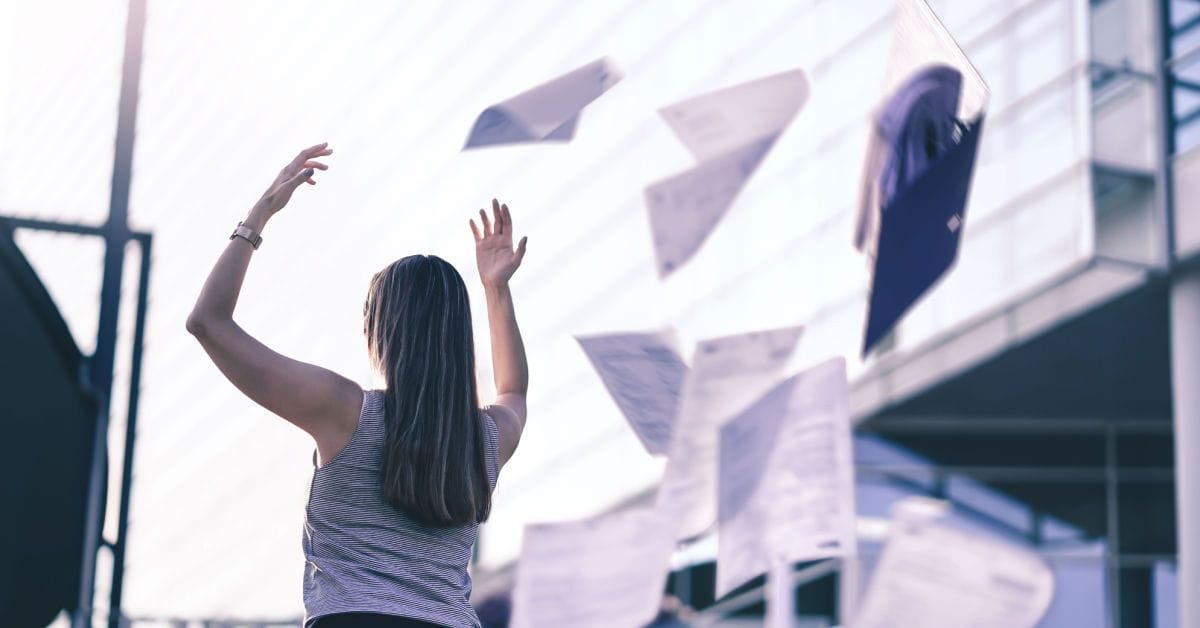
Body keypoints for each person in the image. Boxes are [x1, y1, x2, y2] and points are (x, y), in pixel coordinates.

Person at [186, 143, 529, 628]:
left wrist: (259, 215)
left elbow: (208, 322)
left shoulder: (343, 409)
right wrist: (497, 290)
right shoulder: (485, 438)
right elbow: (514, 390)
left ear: (380, 331)